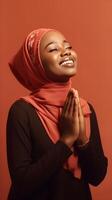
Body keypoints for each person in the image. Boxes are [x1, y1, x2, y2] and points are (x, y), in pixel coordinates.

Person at [7, 28, 108, 200]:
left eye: (68, 47)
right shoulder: (22, 110)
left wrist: (82, 140)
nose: (65, 52)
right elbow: (22, 183)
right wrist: (67, 140)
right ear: (35, 63)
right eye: (53, 49)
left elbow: (97, 177)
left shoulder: (83, 108)